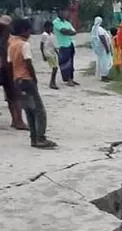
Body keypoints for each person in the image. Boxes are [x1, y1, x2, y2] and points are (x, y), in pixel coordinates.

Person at [8, 18, 56, 148]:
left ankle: (33, 138)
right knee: (39, 110)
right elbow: (28, 62)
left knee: (28, 109)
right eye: (29, 30)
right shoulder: (24, 45)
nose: (30, 33)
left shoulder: (11, 45)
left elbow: (10, 63)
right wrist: (34, 78)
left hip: (16, 80)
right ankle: (40, 137)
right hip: (26, 79)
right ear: (24, 31)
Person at [0, 15, 26, 130]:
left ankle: (17, 120)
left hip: (9, 69)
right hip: (7, 69)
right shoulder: (9, 40)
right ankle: (17, 120)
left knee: (13, 96)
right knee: (14, 96)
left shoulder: (10, 40)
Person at [53, 8, 78, 87]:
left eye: (66, 12)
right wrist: (69, 31)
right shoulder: (56, 22)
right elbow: (63, 31)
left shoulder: (67, 22)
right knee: (65, 63)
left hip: (70, 44)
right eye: (63, 11)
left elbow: (74, 32)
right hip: (62, 45)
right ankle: (68, 80)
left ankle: (71, 78)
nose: (65, 13)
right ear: (59, 13)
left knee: (71, 63)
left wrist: (69, 32)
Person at [91, 17, 113, 82]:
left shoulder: (94, 28)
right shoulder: (99, 29)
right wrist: (107, 48)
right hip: (103, 49)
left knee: (101, 62)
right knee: (105, 62)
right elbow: (102, 37)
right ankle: (104, 76)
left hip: (99, 49)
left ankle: (103, 75)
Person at [40, 20, 59, 89]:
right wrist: (43, 55)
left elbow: (53, 45)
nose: (51, 28)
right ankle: (52, 83)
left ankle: (53, 82)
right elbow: (41, 46)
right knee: (55, 68)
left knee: (55, 68)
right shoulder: (44, 35)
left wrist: (57, 52)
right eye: (50, 27)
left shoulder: (52, 35)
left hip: (52, 52)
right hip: (48, 53)